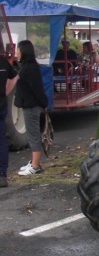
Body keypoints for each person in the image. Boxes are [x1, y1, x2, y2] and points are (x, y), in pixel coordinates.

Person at [15, 40, 48, 176]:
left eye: (18, 49)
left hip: (32, 106)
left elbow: (37, 88)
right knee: (31, 134)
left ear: (24, 51)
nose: (16, 52)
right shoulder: (25, 66)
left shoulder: (30, 68)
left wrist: (43, 103)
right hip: (28, 105)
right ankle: (33, 162)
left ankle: (35, 166)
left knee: (34, 135)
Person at [0, 38, 19, 188]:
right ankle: (2, 174)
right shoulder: (3, 62)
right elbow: (14, 76)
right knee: (1, 140)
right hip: (1, 105)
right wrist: (5, 91)